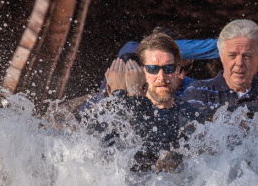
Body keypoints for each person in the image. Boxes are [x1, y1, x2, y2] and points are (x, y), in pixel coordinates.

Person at [81, 32, 208, 170]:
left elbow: (154, 147)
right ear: (140, 72)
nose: (161, 77)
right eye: (153, 69)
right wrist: (118, 96)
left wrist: (132, 97)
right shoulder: (119, 108)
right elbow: (99, 152)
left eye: (168, 68)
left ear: (177, 69)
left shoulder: (190, 115)